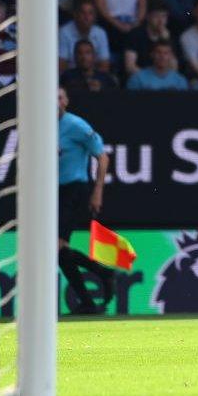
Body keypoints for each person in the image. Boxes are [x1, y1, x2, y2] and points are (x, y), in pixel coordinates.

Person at [57, 87, 116, 315]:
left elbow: (102, 157)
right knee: (59, 252)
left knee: (56, 247)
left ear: (66, 101)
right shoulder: (41, 123)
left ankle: (101, 277)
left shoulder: (77, 126)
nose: (56, 102)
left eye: (60, 97)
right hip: (51, 192)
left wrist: (97, 190)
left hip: (74, 190)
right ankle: (92, 294)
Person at [125, 0, 176, 78]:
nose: (161, 21)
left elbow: (174, 68)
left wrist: (166, 40)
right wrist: (150, 79)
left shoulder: (169, 36)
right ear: (148, 17)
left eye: (164, 16)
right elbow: (130, 67)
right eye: (156, 16)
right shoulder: (135, 34)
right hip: (141, 80)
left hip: (164, 80)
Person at [58, 0, 112, 74]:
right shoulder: (64, 32)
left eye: (90, 13)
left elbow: (104, 64)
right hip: (71, 77)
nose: (86, 17)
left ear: (95, 17)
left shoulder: (101, 33)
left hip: (94, 77)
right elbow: (61, 65)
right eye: (83, 13)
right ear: (75, 15)